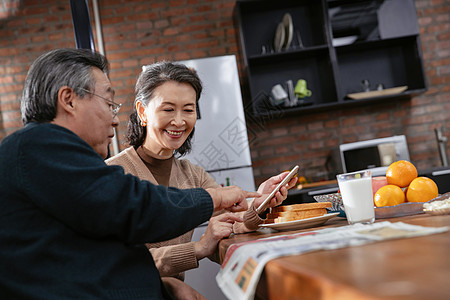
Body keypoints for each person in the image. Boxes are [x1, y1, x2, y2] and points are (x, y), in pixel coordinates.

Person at [0, 48, 260, 299]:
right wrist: (212, 200)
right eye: (109, 103)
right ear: (69, 100)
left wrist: (261, 202)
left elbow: (104, 259)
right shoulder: (41, 146)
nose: (115, 118)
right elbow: (136, 206)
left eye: (189, 109)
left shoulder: (45, 153)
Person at [106, 61, 297, 281]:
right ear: (142, 111)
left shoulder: (192, 174)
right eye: (168, 109)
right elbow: (119, 263)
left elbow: (234, 220)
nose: (179, 121)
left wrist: (262, 201)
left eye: (188, 110)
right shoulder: (113, 174)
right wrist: (198, 248)